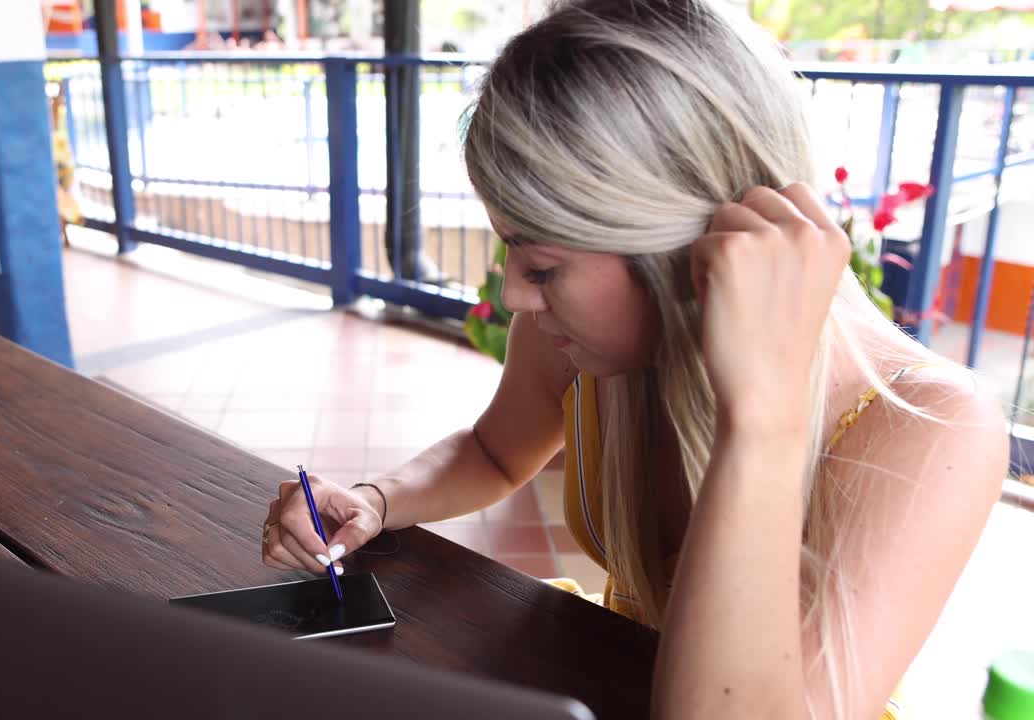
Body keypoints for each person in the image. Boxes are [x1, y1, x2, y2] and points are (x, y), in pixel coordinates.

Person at [258, 1, 1007, 718]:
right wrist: (379, 499)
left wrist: (763, 415)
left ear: (683, 253)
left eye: (543, 267)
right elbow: (493, 451)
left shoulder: (929, 431)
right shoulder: (586, 349)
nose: (516, 297)